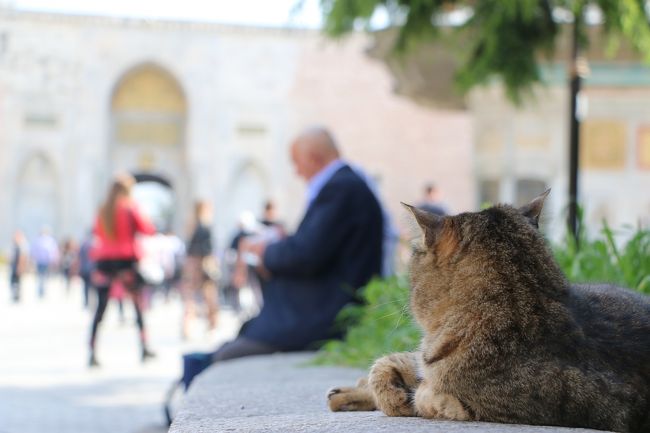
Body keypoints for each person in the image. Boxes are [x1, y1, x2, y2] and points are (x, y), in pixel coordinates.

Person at [210, 126, 384, 361]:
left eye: (297, 163)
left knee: (227, 355)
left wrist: (264, 252)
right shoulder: (345, 185)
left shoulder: (340, 188)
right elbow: (315, 245)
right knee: (230, 347)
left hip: (322, 313)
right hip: (319, 308)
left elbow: (305, 254)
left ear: (314, 158)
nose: (296, 172)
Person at [88, 174, 157, 367]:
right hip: (126, 262)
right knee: (137, 307)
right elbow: (148, 229)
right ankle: (144, 347)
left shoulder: (103, 210)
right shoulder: (130, 207)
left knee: (100, 310)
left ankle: (92, 351)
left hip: (104, 263)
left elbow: (96, 232)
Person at [181, 200, 219, 339]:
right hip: (203, 263)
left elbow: (188, 248)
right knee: (209, 296)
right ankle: (212, 325)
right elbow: (208, 249)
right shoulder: (205, 226)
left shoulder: (191, 226)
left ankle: (186, 328)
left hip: (191, 264)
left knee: (189, 297)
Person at [31, 227, 59, 299]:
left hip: (41, 261)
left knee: (41, 276)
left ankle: (41, 290)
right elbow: (53, 252)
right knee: (44, 276)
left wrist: (33, 259)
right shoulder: (50, 240)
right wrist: (53, 261)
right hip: (45, 261)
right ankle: (42, 290)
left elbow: (34, 251)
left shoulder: (38, 240)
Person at [9, 230, 29, 303]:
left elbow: (22, 257)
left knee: (16, 282)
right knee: (13, 281)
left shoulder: (21, 246)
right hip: (13, 266)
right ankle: (15, 295)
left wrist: (20, 267)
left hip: (17, 266)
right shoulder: (14, 245)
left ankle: (16, 296)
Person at [77, 230, 95, 309]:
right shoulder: (95, 244)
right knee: (94, 287)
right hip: (93, 268)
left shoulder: (84, 244)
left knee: (85, 286)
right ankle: (93, 302)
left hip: (84, 268)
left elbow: (79, 257)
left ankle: (86, 302)